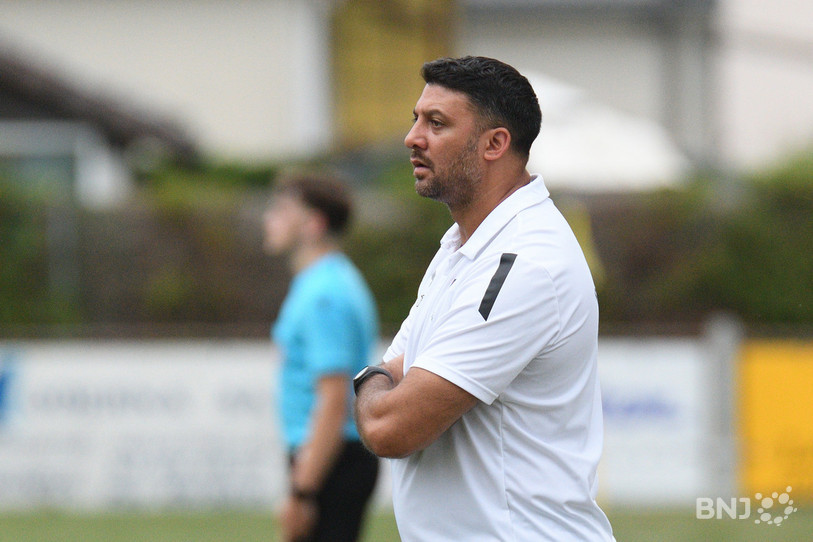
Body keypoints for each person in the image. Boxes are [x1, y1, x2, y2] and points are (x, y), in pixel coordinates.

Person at [353, 56, 615, 541]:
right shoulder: (464, 246)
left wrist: (369, 379)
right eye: (416, 119)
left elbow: (390, 426)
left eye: (437, 123)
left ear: (495, 143)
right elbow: (396, 376)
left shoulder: (524, 263)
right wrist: (385, 380)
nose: (413, 137)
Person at [263, 173, 380, 542]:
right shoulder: (323, 282)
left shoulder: (324, 294)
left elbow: (333, 400)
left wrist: (303, 492)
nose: (269, 218)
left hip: (332, 461)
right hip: (329, 458)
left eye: (282, 210)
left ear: (314, 223)